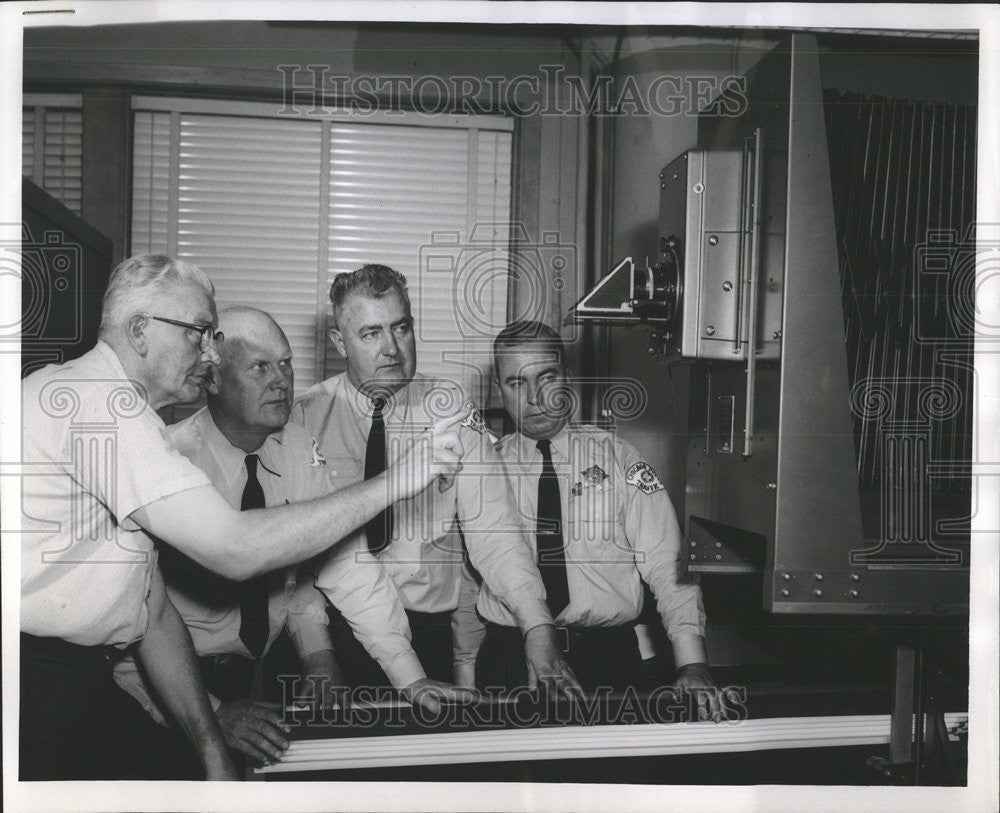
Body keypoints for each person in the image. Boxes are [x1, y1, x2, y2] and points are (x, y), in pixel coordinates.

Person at [20, 255, 467, 780]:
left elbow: (150, 607)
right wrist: (399, 479)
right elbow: (236, 549)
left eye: (285, 364)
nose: (208, 353)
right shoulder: (103, 408)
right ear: (140, 331)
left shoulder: (130, 417)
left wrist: (212, 751)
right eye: (198, 333)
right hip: (43, 678)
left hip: (98, 678)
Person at [113, 306, 440, 771]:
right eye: (260, 367)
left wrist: (403, 677)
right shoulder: (167, 460)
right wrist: (213, 712)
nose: (282, 381)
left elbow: (344, 567)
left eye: (285, 364)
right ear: (213, 379)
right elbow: (129, 633)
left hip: (253, 683)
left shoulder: (300, 448)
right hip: (157, 697)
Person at [291, 265, 580, 696]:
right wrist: (317, 655)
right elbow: (296, 566)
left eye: (401, 328)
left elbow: (494, 531)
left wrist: (536, 627)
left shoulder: (451, 409)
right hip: (333, 634)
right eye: (371, 334)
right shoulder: (305, 418)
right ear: (339, 342)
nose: (391, 348)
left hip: (427, 635)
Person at [472, 320, 721, 719]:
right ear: (498, 390)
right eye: (516, 383)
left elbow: (668, 564)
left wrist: (692, 664)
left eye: (546, 377)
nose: (534, 397)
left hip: (607, 662)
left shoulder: (621, 459)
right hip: (510, 660)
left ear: (566, 378)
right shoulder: (480, 472)